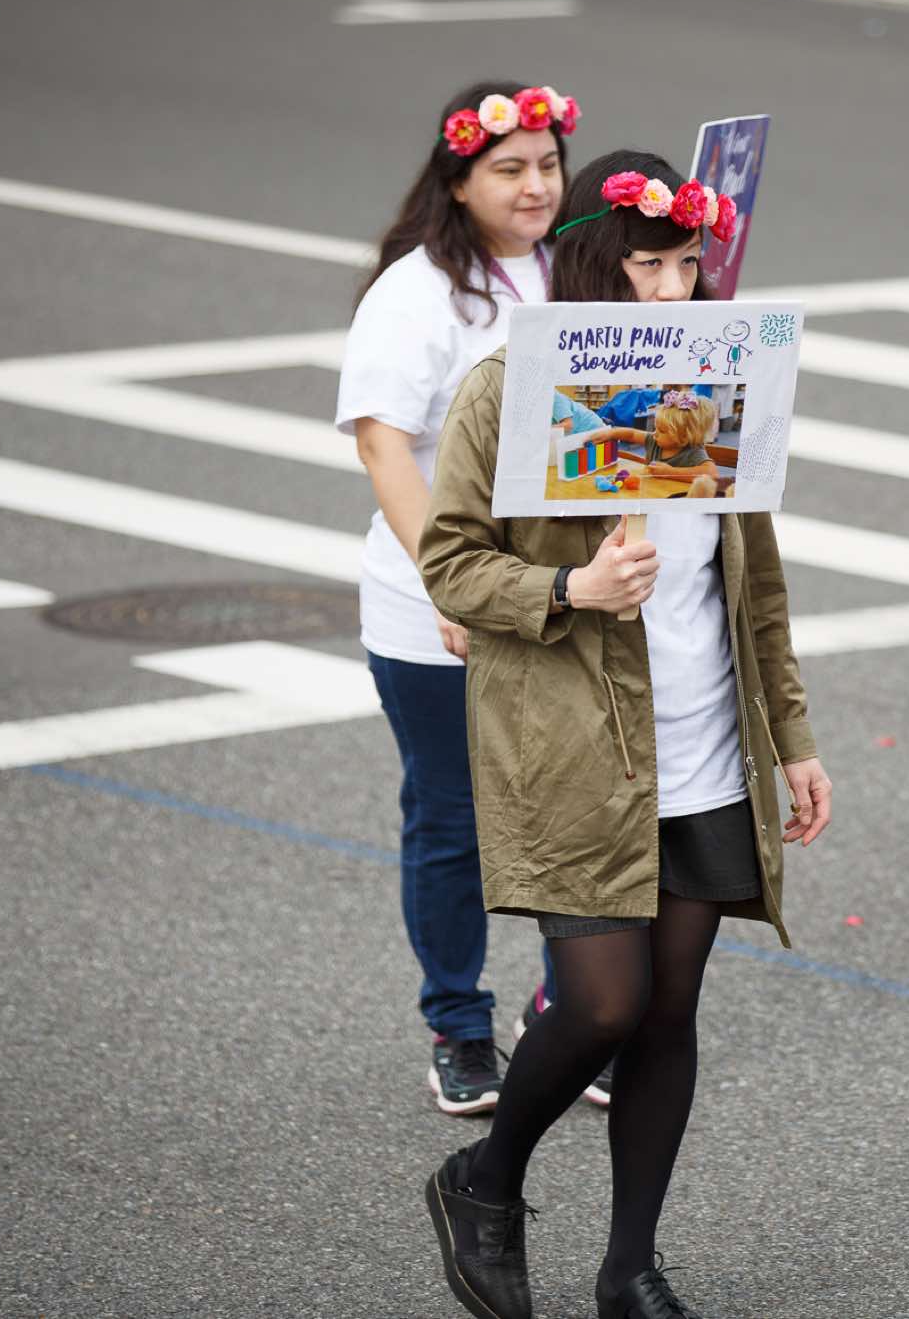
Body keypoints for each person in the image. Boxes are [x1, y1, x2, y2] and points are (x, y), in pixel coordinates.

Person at [417, 150, 832, 1319]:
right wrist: (570, 590)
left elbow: (754, 585)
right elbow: (448, 563)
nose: (666, 288)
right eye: (644, 265)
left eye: (683, 264)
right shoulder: (509, 385)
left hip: (703, 746)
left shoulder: (716, 378)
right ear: (591, 264)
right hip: (576, 748)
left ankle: (628, 1268)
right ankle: (484, 1180)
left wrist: (791, 736)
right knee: (601, 1003)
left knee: (666, 1013)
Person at [339, 81, 602, 1117]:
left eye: (548, 164)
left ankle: (566, 1010)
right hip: (434, 612)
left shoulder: (574, 269)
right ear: (457, 180)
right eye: (509, 168)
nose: (536, 186)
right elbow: (383, 447)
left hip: (561, 594)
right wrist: (448, 579)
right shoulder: (416, 292)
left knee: (572, 813)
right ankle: (457, 1024)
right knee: (453, 821)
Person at [588, 390, 722, 486]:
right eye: (656, 428)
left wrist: (669, 472)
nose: (655, 433)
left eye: (662, 431)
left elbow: (712, 474)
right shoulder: (655, 440)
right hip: (651, 492)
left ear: (684, 436)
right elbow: (632, 434)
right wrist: (611, 433)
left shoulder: (693, 451)